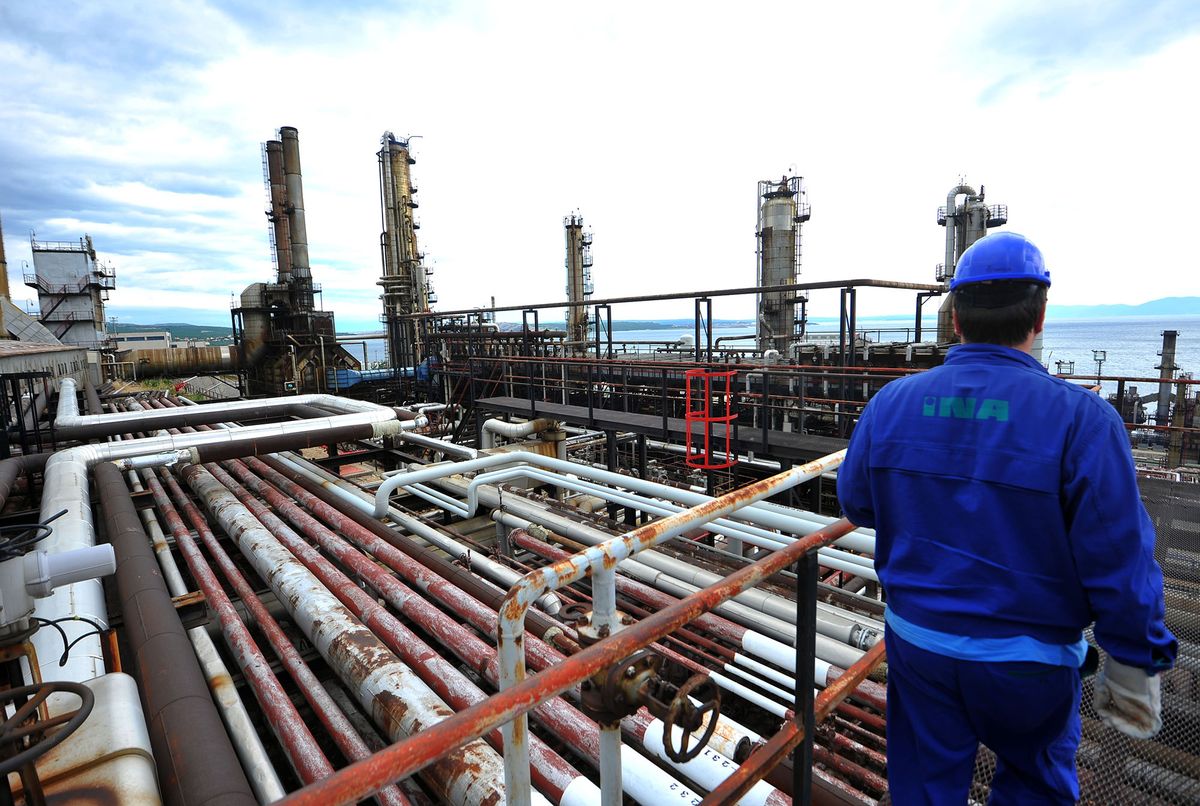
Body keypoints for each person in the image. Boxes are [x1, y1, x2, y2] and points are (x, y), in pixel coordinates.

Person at [836, 231, 1176, 805]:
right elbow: (1120, 559)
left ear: (956, 321)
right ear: (1039, 316)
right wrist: (1135, 657)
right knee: (1035, 784)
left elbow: (856, 503)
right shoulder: (1083, 421)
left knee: (923, 789)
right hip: (1031, 662)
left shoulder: (890, 404)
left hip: (921, 649)